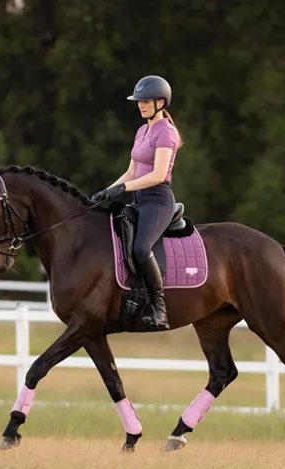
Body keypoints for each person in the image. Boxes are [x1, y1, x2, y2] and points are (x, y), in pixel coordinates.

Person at [90, 74, 183, 331]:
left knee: (142, 247)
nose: (140, 105)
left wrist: (123, 188)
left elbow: (158, 175)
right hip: (139, 198)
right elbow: (131, 172)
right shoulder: (142, 130)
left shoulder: (167, 132)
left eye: (146, 101)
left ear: (161, 102)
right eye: (139, 101)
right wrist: (107, 190)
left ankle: (159, 308)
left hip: (158, 200)